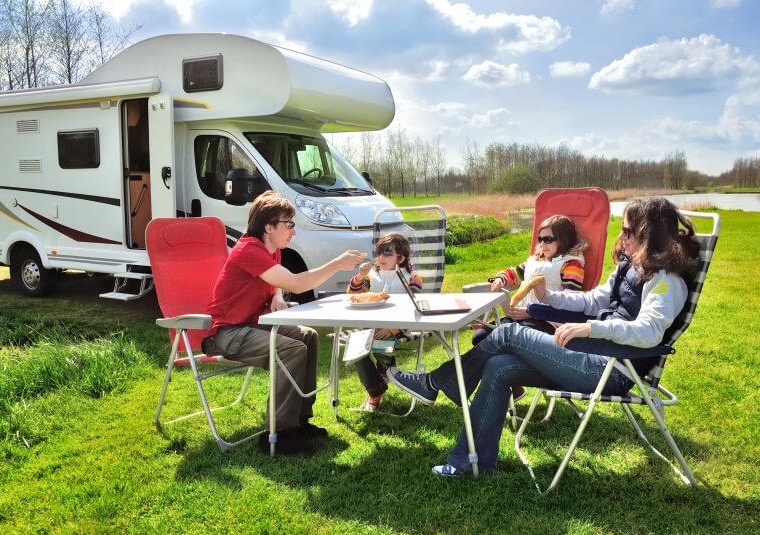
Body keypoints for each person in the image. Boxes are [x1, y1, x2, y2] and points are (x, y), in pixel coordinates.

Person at [388, 197, 700, 476]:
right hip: (591, 355)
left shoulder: (668, 280)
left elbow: (648, 332)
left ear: (650, 234)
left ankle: (438, 382)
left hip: (610, 370)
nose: (622, 237)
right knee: (498, 366)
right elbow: (593, 301)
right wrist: (548, 296)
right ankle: (471, 463)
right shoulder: (629, 268)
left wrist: (592, 328)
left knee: (508, 333)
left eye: (628, 231)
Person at [202, 191, 364, 455]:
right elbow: (297, 283)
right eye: (289, 225)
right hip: (228, 332)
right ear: (268, 226)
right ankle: (278, 433)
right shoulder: (248, 250)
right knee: (291, 349)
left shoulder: (271, 251)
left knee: (308, 336)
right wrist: (337, 264)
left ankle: (299, 421)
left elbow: (278, 281)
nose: (293, 231)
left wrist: (277, 294)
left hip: (254, 325)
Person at [474, 215, 587, 400]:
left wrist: (531, 312)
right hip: (520, 318)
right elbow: (514, 273)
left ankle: (498, 381)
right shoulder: (536, 260)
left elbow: (570, 303)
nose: (542, 244)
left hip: (549, 323)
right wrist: (501, 278)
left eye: (548, 239)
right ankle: (515, 388)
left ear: (563, 239)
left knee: (502, 340)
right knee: (480, 336)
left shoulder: (571, 264)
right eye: (540, 239)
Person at [347, 233, 423, 411]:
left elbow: (416, 307)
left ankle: (385, 371)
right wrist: (359, 277)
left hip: (401, 326)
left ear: (401, 257)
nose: (381, 258)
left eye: (387, 254)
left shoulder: (412, 277)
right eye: (379, 253)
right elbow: (352, 296)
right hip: (370, 325)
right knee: (355, 347)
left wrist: (393, 329)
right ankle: (377, 387)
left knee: (380, 342)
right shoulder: (373, 275)